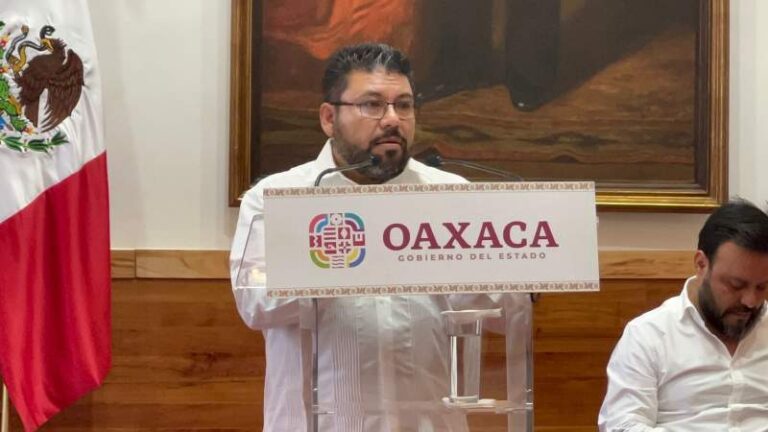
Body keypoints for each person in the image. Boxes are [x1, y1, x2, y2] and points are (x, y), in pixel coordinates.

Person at [230, 43, 522, 432]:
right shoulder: (276, 198)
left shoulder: (451, 195)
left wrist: (520, 271)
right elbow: (256, 304)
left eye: (404, 105)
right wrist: (351, 256)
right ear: (329, 118)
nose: (392, 119)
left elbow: (504, 309)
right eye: (372, 105)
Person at [598, 199, 768, 431]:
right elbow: (622, 424)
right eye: (736, 285)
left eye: (762, 287)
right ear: (701, 264)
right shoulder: (649, 335)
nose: (750, 301)